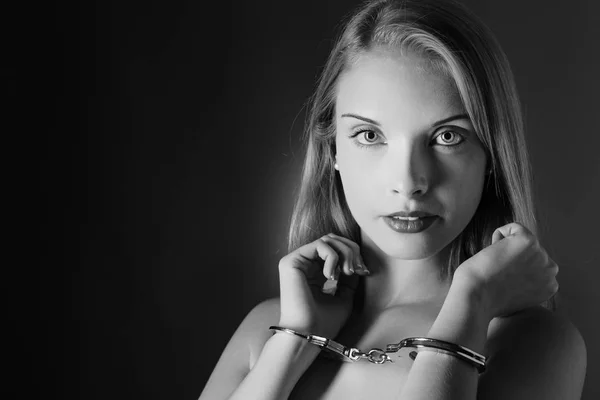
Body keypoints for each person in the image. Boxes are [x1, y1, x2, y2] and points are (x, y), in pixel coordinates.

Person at [199, 0, 587, 398]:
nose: (408, 183)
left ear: (491, 155)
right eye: (370, 136)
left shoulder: (534, 343)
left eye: (447, 137)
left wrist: (471, 301)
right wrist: (294, 341)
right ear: (333, 150)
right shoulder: (267, 327)